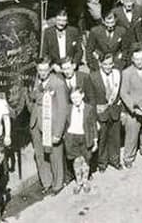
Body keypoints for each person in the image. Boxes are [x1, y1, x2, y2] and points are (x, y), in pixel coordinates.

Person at [28, 59, 69, 195]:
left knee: (54, 155)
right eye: (40, 70)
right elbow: (34, 96)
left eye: (45, 70)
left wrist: (58, 132)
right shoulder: (36, 80)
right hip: (36, 122)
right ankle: (46, 182)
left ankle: (58, 184)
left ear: (50, 69)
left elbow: (63, 109)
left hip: (51, 124)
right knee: (40, 154)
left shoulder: (58, 83)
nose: (42, 73)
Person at [89, 53, 123, 171]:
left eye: (110, 64)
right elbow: (91, 98)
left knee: (115, 138)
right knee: (102, 139)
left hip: (114, 110)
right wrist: (95, 113)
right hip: (101, 112)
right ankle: (102, 163)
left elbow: (119, 94)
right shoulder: (93, 77)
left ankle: (115, 160)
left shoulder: (117, 74)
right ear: (100, 64)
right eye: (105, 64)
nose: (108, 67)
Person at [64, 87, 98, 194]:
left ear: (82, 95)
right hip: (72, 137)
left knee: (85, 160)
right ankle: (78, 182)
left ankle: (85, 181)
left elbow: (93, 125)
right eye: (73, 98)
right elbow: (64, 123)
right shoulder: (68, 108)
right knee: (76, 161)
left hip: (85, 137)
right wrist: (65, 136)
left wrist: (95, 140)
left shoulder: (89, 108)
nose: (75, 100)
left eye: (77, 97)